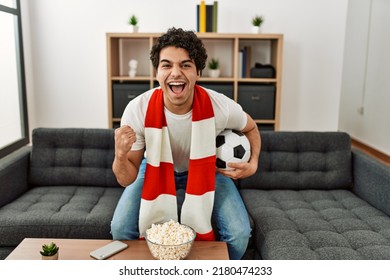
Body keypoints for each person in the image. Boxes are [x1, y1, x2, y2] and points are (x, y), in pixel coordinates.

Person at [111, 27, 261, 260]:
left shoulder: (219, 105)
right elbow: (125, 179)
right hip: (153, 166)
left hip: (207, 168)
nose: (176, 73)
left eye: (185, 65)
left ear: (198, 71)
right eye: (167, 65)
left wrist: (253, 163)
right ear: (157, 71)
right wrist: (120, 156)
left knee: (240, 233)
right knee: (120, 228)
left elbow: (251, 128)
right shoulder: (138, 109)